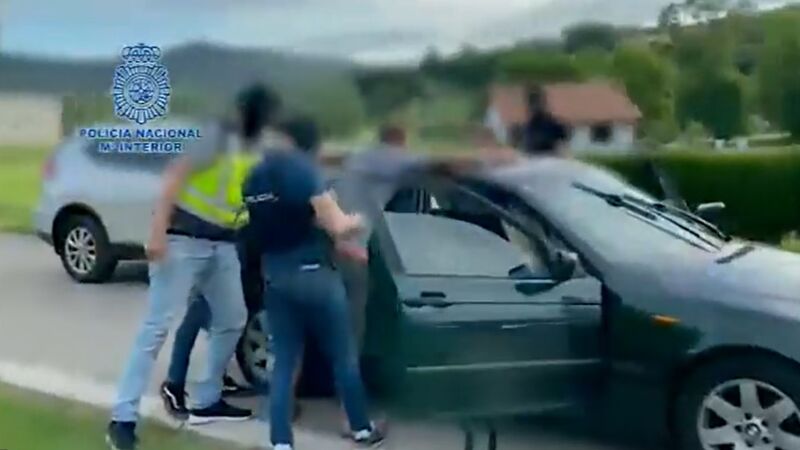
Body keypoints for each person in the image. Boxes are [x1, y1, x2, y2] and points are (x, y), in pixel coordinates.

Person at [106, 83, 281, 450]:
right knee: (157, 327)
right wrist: (157, 233)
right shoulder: (216, 136)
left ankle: (205, 399)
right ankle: (122, 418)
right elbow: (174, 175)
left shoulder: (254, 147)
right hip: (183, 240)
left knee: (232, 318)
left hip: (224, 244)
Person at [158, 116, 321, 422]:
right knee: (201, 311)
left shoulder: (278, 160)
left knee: (228, 316)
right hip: (219, 239)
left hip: (241, 243)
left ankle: (213, 381)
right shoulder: (257, 155)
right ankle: (174, 383)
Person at [243, 123, 385, 450]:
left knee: (285, 360)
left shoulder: (254, 177)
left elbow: (281, 218)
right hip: (314, 274)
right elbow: (338, 226)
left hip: (275, 275)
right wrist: (359, 220)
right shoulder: (303, 172)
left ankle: (280, 441)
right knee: (343, 356)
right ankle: (361, 429)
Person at [520, 85, 569, 156]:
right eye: (533, 103)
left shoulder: (553, 125)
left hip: (549, 157)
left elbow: (564, 141)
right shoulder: (528, 127)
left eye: (537, 102)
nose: (535, 106)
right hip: (534, 158)